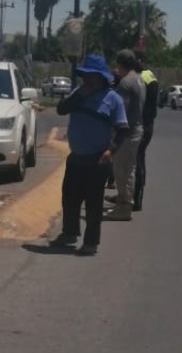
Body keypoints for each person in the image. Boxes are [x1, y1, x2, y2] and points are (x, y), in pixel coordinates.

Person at [50, 55, 128, 256]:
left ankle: (91, 242)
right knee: (70, 198)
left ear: (100, 78)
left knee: (93, 204)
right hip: (76, 156)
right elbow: (61, 110)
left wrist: (111, 151)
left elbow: (122, 130)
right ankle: (69, 233)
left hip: (97, 159)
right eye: (84, 76)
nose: (86, 80)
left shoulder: (113, 99)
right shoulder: (78, 93)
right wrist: (77, 97)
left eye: (91, 76)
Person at [108, 49, 145, 221]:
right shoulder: (139, 79)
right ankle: (124, 202)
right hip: (136, 129)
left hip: (127, 133)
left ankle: (123, 207)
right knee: (129, 169)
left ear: (120, 64)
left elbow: (120, 109)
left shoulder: (125, 83)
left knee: (122, 171)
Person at [134, 52, 160, 212]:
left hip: (141, 124)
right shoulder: (151, 76)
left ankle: (136, 199)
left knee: (137, 160)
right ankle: (136, 196)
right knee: (140, 159)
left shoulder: (140, 78)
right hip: (148, 124)